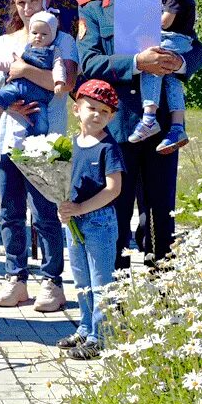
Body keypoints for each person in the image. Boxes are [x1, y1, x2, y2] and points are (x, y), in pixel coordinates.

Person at [77, 0, 202, 269]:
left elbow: (197, 49)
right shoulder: (94, 9)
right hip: (115, 126)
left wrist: (181, 62)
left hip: (161, 124)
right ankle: (114, 291)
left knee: (160, 211)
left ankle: (160, 291)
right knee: (114, 209)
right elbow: (88, 62)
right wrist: (137, 62)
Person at [0, 0, 79, 311]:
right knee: (10, 211)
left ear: (46, 0)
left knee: (46, 212)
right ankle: (15, 278)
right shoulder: (5, 41)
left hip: (46, 140)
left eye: (33, 1)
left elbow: (62, 82)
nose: (26, 9)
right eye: (21, 3)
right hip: (9, 138)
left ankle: (52, 282)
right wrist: (7, 102)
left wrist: (22, 70)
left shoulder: (61, 39)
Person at [55, 79, 124, 361]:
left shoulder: (108, 148)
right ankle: (85, 327)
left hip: (99, 221)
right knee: (81, 278)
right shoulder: (70, 145)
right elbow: (62, 183)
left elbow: (113, 188)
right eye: (91, 108)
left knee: (100, 281)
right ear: (76, 110)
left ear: (112, 117)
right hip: (75, 221)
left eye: (104, 111)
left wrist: (82, 208)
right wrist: (64, 206)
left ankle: (101, 336)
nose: (96, 115)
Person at [127, 0, 196, 154]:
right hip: (173, 39)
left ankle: (149, 117)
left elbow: (165, 22)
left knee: (152, 64)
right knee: (172, 80)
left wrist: (142, 21)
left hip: (175, 38)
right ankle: (177, 126)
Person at [0, 9, 66, 136]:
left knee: (42, 123)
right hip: (17, 87)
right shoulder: (25, 50)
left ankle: (34, 139)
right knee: (0, 97)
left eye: (44, 34)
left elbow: (59, 67)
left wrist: (59, 82)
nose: (38, 36)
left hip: (39, 97)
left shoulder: (54, 51)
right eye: (35, 33)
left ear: (52, 36)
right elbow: (9, 65)